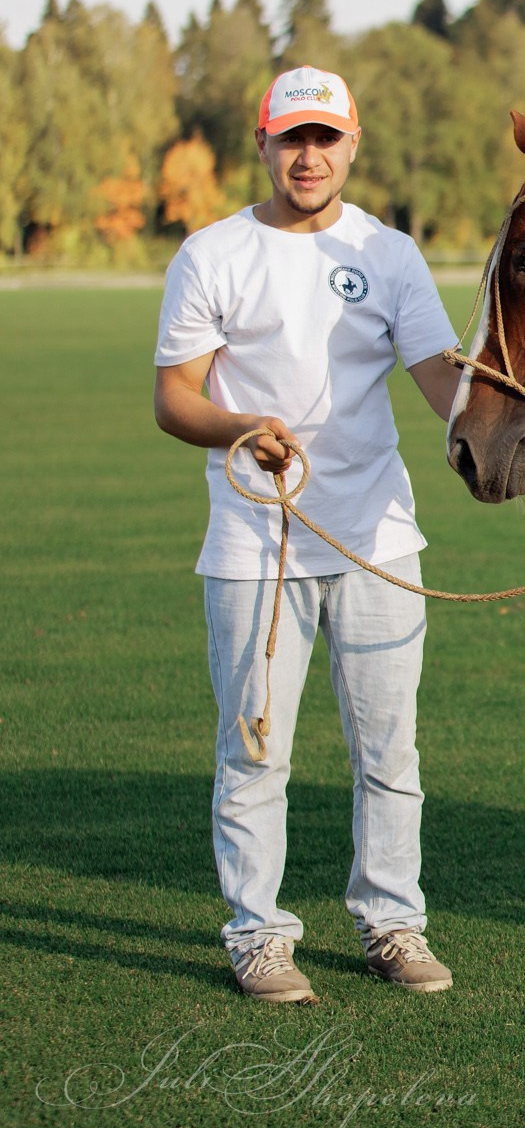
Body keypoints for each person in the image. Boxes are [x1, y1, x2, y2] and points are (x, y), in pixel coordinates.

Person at [153, 65, 463, 1002]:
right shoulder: (213, 253)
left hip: (379, 541)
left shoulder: (393, 254)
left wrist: (506, 425)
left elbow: (443, 382)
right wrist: (239, 425)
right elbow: (174, 398)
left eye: (326, 138)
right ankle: (258, 934)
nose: (310, 155)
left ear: (352, 145)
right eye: (293, 138)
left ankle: (391, 924)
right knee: (255, 751)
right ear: (265, 145)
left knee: (390, 751)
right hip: (257, 546)